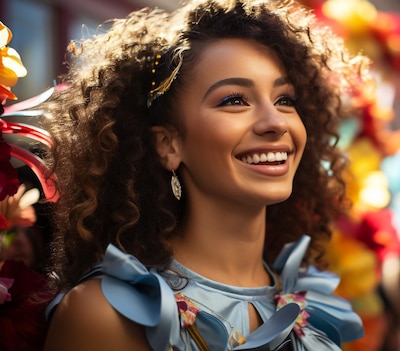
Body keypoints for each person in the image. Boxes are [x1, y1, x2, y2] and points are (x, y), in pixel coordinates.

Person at [42, 0, 367, 350]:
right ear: (168, 145)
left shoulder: (314, 308)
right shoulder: (106, 315)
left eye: (284, 99)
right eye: (234, 100)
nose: (275, 122)